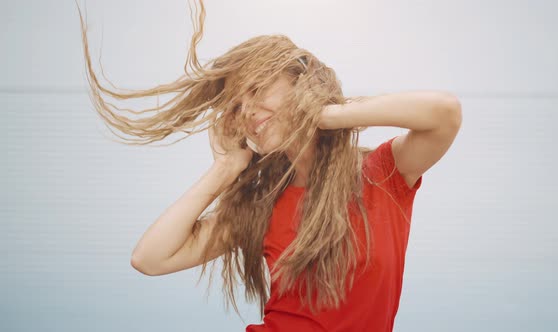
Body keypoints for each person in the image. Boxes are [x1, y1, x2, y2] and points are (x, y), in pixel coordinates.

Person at [76, 0, 462, 330]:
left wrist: (323, 114)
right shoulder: (262, 205)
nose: (248, 112)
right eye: (237, 106)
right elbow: (150, 258)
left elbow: (444, 112)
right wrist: (225, 169)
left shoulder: (382, 174)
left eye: (258, 90)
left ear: (302, 83)